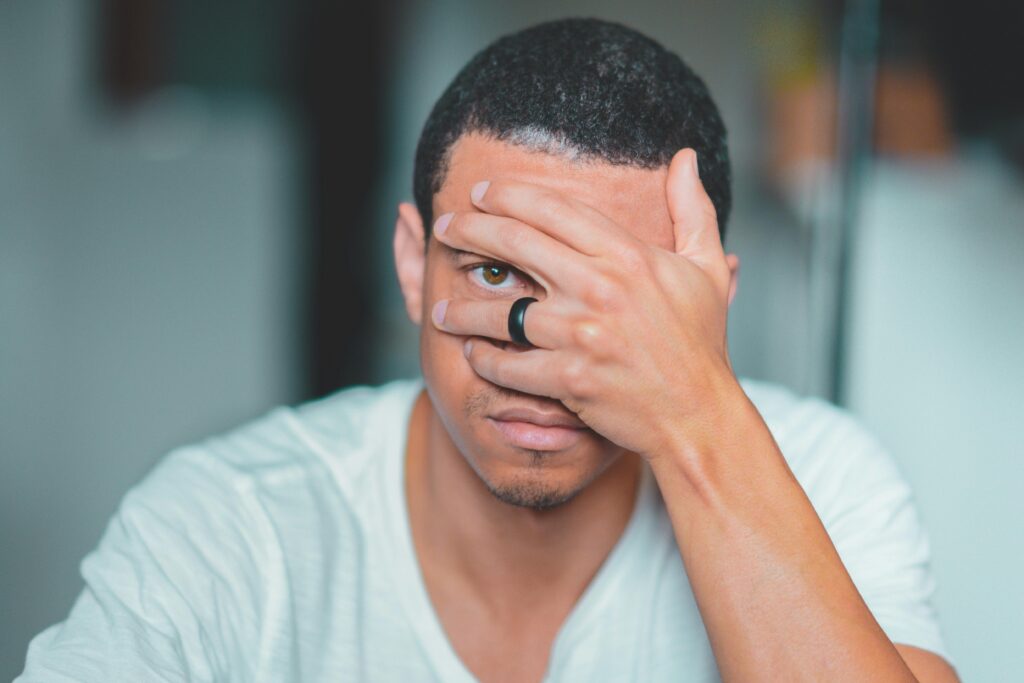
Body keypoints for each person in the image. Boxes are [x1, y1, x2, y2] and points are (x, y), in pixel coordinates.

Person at [18, 18, 958, 682]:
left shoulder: (823, 477)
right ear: (413, 265)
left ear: (709, 304)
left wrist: (696, 412)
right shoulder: (229, 526)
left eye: (610, 296)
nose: (550, 358)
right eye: (496, 274)